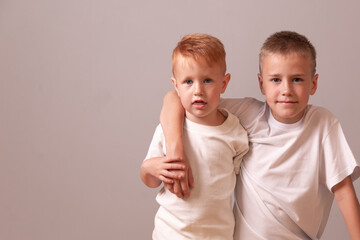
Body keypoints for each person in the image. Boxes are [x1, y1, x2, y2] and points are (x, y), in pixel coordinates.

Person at [158, 31, 360, 239]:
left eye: (297, 79)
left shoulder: (323, 124)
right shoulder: (247, 114)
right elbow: (174, 98)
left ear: (313, 84)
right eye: (275, 80)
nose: (286, 90)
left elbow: (344, 192)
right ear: (261, 83)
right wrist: (176, 150)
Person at [140, 33, 249, 239]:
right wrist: (151, 168)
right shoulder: (169, 128)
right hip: (170, 233)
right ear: (176, 86)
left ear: (224, 83)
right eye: (188, 82)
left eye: (207, 80)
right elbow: (149, 179)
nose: (198, 90)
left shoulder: (235, 132)